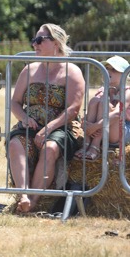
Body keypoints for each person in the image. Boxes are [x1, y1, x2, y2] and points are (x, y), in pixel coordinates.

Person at [7, 23, 85, 213]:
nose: (35, 44)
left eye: (40, 40)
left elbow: (73, 109)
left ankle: (33, 201)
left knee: (50, 148)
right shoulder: (29, 70)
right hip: (31, 125)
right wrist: (24, 117)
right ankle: (23, 196)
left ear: (56, 43)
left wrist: (48, 129)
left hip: (62, 127)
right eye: (34, 40)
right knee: (15, 144)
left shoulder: (72, 71)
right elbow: (15, 102)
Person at [75, 55, 130, 160]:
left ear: (124, 74)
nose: (108, 71)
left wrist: (95, 126)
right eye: (107, 68)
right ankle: (86, 143)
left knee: (104, 103)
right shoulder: (103, 90)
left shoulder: (127, 92)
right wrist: (86, 122)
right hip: (104, 129)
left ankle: (95, 146)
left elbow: (118, 113)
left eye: (114, 70)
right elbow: (93, 108)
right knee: (95, 100)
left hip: (121, 131)